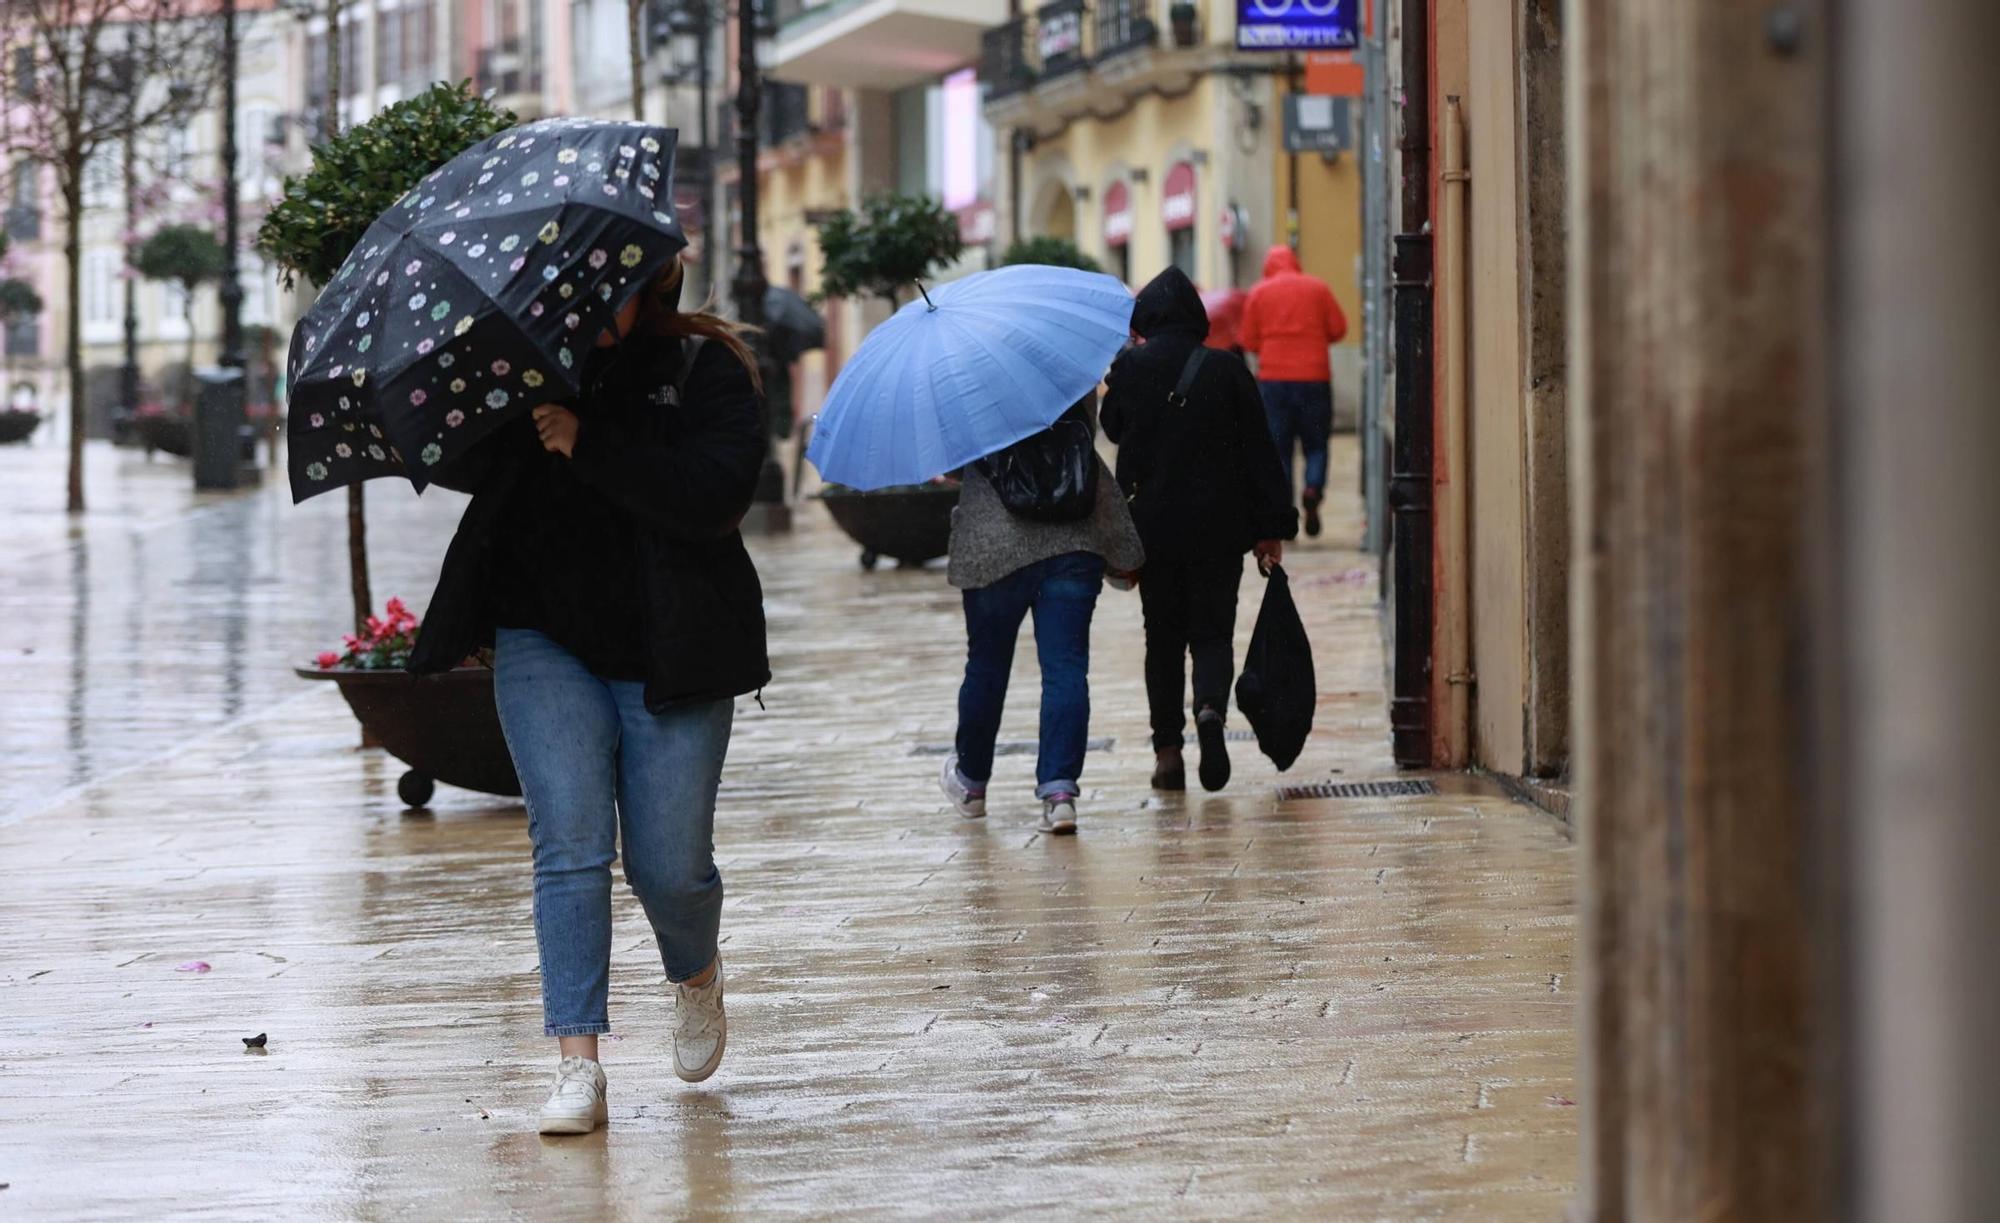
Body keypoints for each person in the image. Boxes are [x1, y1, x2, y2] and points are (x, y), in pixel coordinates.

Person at [409, 259, 768, 1135]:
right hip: (542, 638)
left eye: (611, 286)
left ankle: (696, 974)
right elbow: (462, 466)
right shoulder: (526, 365)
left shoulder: (702, 369)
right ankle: (578, 1064)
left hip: (672, 645)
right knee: (568, 844)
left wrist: (591, 441)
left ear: (655, 285)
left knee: (668, 866)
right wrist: (486, 386)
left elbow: (716, 497)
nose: (591, 301)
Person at [1103, 267, 1297, 793]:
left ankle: (1168, 751)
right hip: (1219, 529)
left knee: (1161, 638)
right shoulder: (1227, 370)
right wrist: (1271, 527)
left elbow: (1112, 428)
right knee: (1212, 631)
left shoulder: (1131, 369)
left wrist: (1122, 370)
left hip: (1154, 530)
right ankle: (1210, 709)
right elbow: (1262, 450)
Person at [938, 395, 1144, 835]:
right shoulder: (1068, 371)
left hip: (993, 549)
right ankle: (1059, 793)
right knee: (1066, 667)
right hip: (1072, 538)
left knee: (986, 668)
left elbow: (954, 467)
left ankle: (972, 784)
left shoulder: (968, 381)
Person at [1238, 244, 1348, 538]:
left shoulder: (1259, 293)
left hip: (1274, 381)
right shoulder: (1318, 288)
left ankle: (1286, 515)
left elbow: (1247, 340)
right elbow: (1339, 328)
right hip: (1314, 378)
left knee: (1279, 449)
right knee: (1316, 444)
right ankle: (1313, 488)